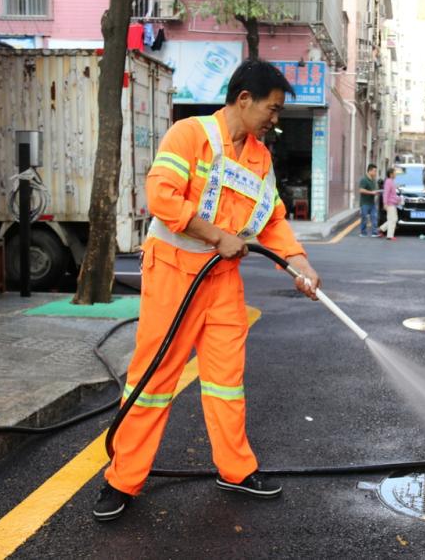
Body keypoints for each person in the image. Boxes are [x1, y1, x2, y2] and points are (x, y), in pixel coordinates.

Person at [93, 59, 321, 521]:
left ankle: (235, 469)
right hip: (174, 270)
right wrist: (216, 235)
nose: (276, 119)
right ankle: (122, 479)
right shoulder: (189, 134)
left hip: (220, 280)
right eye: (273, 109)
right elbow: (161, 195)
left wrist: (300, 264)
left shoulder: (260, 157)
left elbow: (272, 220)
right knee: (154, 379)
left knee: (225, 380)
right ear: (244, 100)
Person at [377, 168, 401, 240]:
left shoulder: (391, 181)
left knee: (394, 219)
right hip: (390, 204)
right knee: (392, 219)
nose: (395, 174)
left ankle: (381, 229)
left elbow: (392, 194)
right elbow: (386, 193)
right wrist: (385, 204)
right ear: (391, 174)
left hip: (392, 203)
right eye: (394, 173)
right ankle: (390, 235)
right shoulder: (388, 182)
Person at [358, 164, 380, 237]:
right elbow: (361, 190)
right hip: (364, 203)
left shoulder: (373, 180)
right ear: (370, 171)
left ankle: (374, 232)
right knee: (364, 218)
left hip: (372, 203)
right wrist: (371, 192)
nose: (375, 173)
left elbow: (373, 190)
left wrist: (377, 192)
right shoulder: (364, 179)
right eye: (374, 171)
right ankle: (363, 232)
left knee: (374, 217)